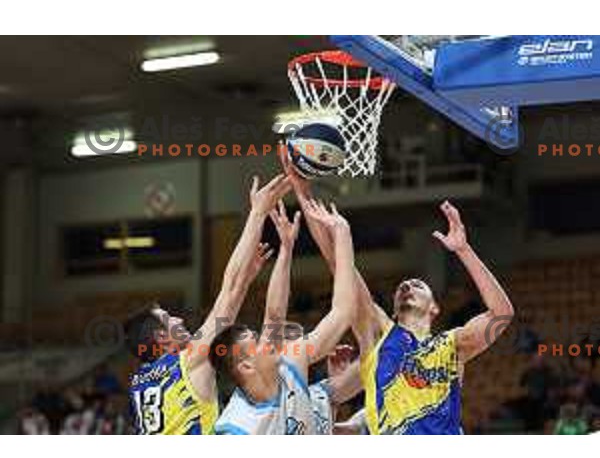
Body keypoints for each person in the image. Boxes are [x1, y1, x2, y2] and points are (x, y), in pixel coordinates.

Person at [280, 147, 514, 435]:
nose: (407, 285)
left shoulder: (452, 346)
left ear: (435, 308)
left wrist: (464, 250)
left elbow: (502, 314)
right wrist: (301, 188)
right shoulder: (378, 335)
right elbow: (338, 264)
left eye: (418, 284)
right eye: (403, 286)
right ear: (393, 308)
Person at [126, 174, 291, 434]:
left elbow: (233, 293)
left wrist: (244, 280)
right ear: (162, 337)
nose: (180, 320)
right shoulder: (188, 361)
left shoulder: (138, 384)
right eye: (170, 319)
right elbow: (230, 289)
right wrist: (258, 213)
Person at [210, 200, 358, 434]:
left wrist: (340, 235)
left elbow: (342, 311)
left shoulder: (289, 362)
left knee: (337, 388)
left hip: (318, 409)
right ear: (247, 366)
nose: (267, 338)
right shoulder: (236, 428)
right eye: (258, 341)